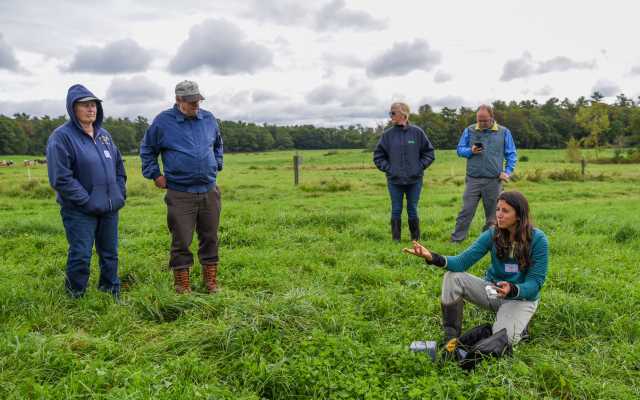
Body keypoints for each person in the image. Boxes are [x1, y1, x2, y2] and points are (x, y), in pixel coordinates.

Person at [404, 191, 548, 366]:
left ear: (519, 215)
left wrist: (513, 289)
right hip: (494, 291)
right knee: (453, 277)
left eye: (505, 211)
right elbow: (461, 263)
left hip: (520, 299)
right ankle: (450, 341)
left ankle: (519, 328)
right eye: (498, 209)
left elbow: (535, 283)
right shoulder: (493, 233)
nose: (499, 214)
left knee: (502, 341)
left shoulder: (538, 240)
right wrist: (432, 257)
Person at [140, 80, 223, 294]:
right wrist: (155, 175)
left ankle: (211, 282)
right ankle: (182, 285)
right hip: (180, 192)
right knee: (182, 239)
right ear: (178, 100)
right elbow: (147, 149)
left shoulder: (209, 119)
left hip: (208, 189)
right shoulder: (162, 122)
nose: (196, 105)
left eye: (198, 100)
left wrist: (216, 165)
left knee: (210, 236)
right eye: (191, 101)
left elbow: (217, 144)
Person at [46, 84, 127, 298]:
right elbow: (61, 178)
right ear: (73, 109)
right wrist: (87, 201)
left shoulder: (104, 136)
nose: (91, 109)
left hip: (109, 208)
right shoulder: (61, 137)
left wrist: (119, 194)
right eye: (85, 105)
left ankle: (111, 292)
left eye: (94, 105)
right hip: (80, 210)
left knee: (110, 254)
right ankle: (75, 296)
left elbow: (119, 167)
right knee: (81, 255)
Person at [450, 104, 517, 243]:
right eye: (479, 120)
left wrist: (507, 172)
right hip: (473, 179)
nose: (481, 123)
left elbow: (511, 154)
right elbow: (459, 149)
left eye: (484, 120)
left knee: (493, 215)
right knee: (466, 211)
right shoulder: (469, 130)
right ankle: (456, 240)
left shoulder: (504, 132)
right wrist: (470, 151)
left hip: (494, 180)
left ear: (492, 118)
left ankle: (489, 241)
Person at [373, 102, 435, 241]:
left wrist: (419, 167)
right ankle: (396, 240)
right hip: (394, 181)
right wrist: (390, 169)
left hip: (415, 180)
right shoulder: (387, 135)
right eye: (390, 113)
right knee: (396, 209)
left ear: (404, 114)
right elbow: (378, 156)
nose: (391, 116)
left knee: (412, 209)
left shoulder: (417, 132)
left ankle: (416, 240)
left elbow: (429, 153)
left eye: (393, 113)